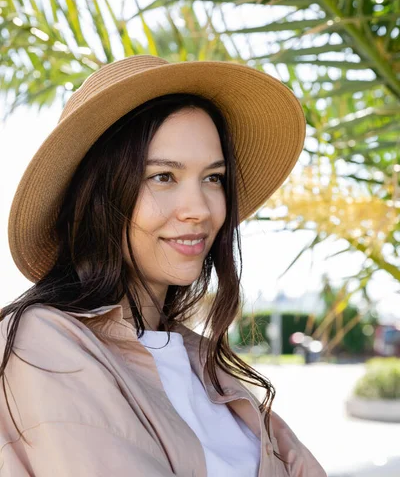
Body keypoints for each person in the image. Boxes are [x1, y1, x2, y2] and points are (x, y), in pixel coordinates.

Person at [0, 55, 326, 476]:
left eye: (213, 178)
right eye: (163, 177)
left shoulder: (203, 362)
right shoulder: (41, 342)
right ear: (100, 195)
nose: (199, 209)